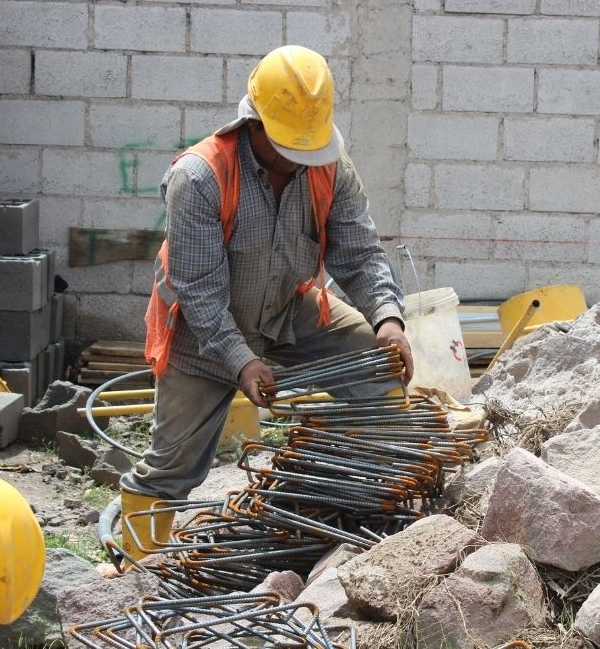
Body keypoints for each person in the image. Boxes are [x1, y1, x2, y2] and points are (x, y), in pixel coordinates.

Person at [117, 45, 413, 562]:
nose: (300, 157)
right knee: (170, 466)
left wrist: (388, 318)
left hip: (287, 308)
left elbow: (360, 253)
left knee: (375, 364)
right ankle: (139, 574)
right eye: (287, 145)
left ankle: (366, 503)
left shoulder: (331, 170)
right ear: (253, 123)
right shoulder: (200, 178)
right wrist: (241, 361)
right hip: (202, 332)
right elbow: (200, 291)